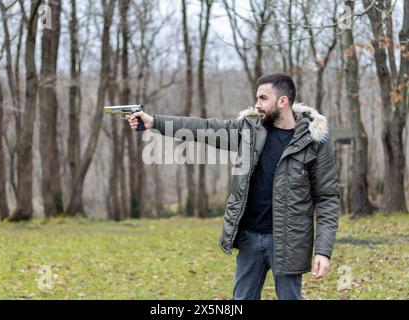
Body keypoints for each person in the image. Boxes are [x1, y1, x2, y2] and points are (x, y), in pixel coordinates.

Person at [126, 73, 340, 300]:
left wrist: (323, 251)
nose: (257, 104)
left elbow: (327, 198)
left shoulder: (313, 141)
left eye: (263, 98)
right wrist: (154, 122)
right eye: (257, 98)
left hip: (288, 242)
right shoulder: (248, 130)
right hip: (249, 240)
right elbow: (203, 128)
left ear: (283, 101)